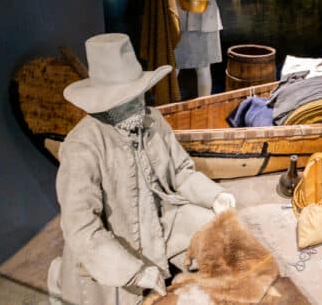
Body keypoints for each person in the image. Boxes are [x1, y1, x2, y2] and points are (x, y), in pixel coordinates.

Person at [48, 33, 236, 305]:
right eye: (127, 97)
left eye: (139, 92)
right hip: (117, 237)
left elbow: (181, 171)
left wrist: (215, 197)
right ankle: (67, 278)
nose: (139, 103)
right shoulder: (81, 146)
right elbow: (82, 228)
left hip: (162, 221)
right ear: (107, 100)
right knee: (121, 293)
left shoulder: (151, 119)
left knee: (219, 229)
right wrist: (135, 272)